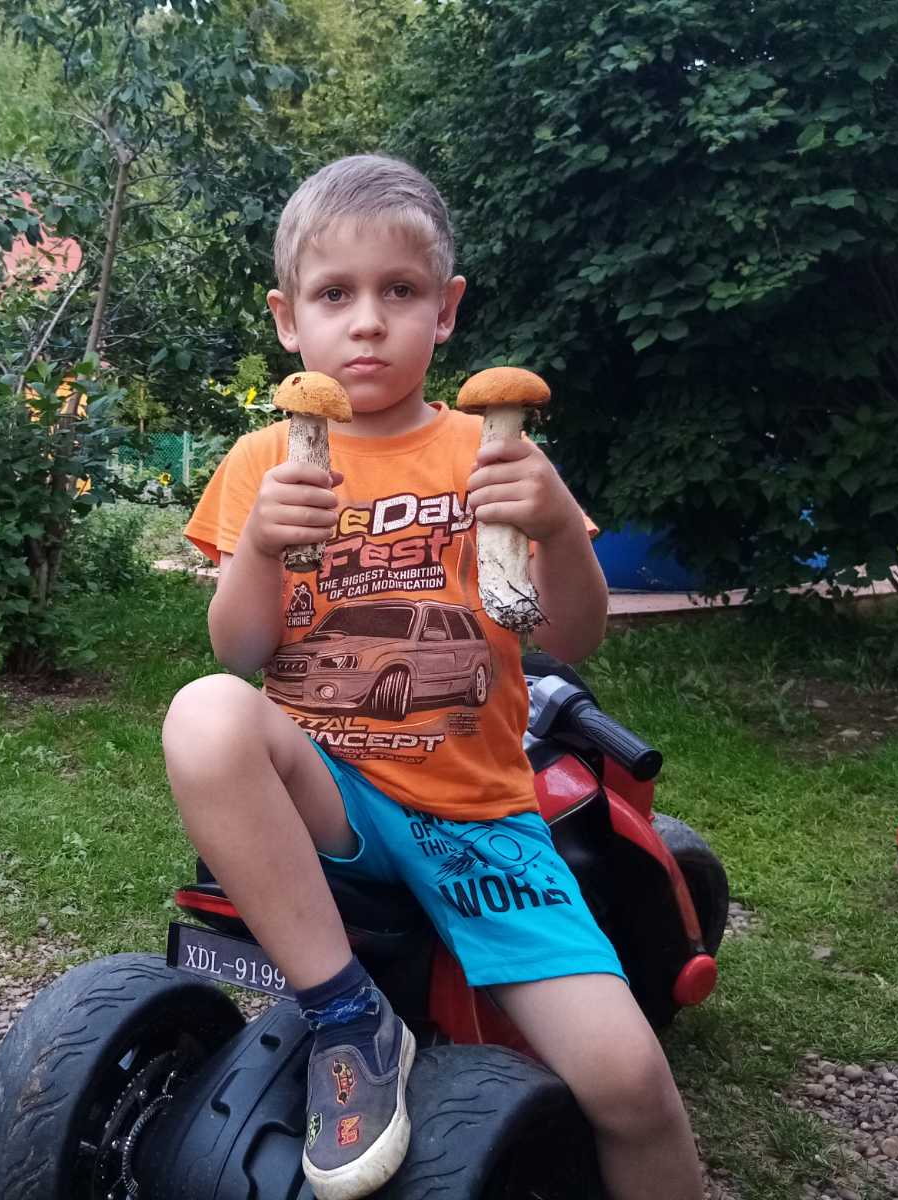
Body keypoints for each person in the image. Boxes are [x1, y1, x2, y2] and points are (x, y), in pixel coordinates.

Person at [163, 154, 702, 1200]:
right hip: (328, 791)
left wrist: (557, 528)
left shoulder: (490, 456)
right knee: (204, 714)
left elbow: (573, 635)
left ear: (445, 310)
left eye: (399, 291)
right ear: (288, 320)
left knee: (632, 1083)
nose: (367, 323)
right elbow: (238, 651)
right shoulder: (263, 463)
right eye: (334, 295)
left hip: (477, 816)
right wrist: (261, 547)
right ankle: (346, 1012)